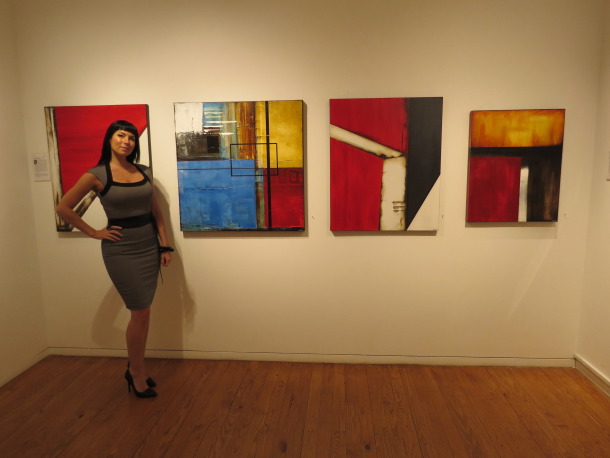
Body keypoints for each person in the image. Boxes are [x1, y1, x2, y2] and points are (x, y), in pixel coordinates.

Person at [56, 120, 173, 398]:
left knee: (144, 313)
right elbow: (63, 207)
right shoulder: (96, 175)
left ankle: (137, 368)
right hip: (121, 250)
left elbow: (156, 210)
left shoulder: (143, 171)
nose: (126, 141)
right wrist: (94, 232)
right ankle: (136, 373)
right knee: (140, 311)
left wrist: (165, 245)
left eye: (131, 138)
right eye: (121, 135)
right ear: (109, 138)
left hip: (148, 245)